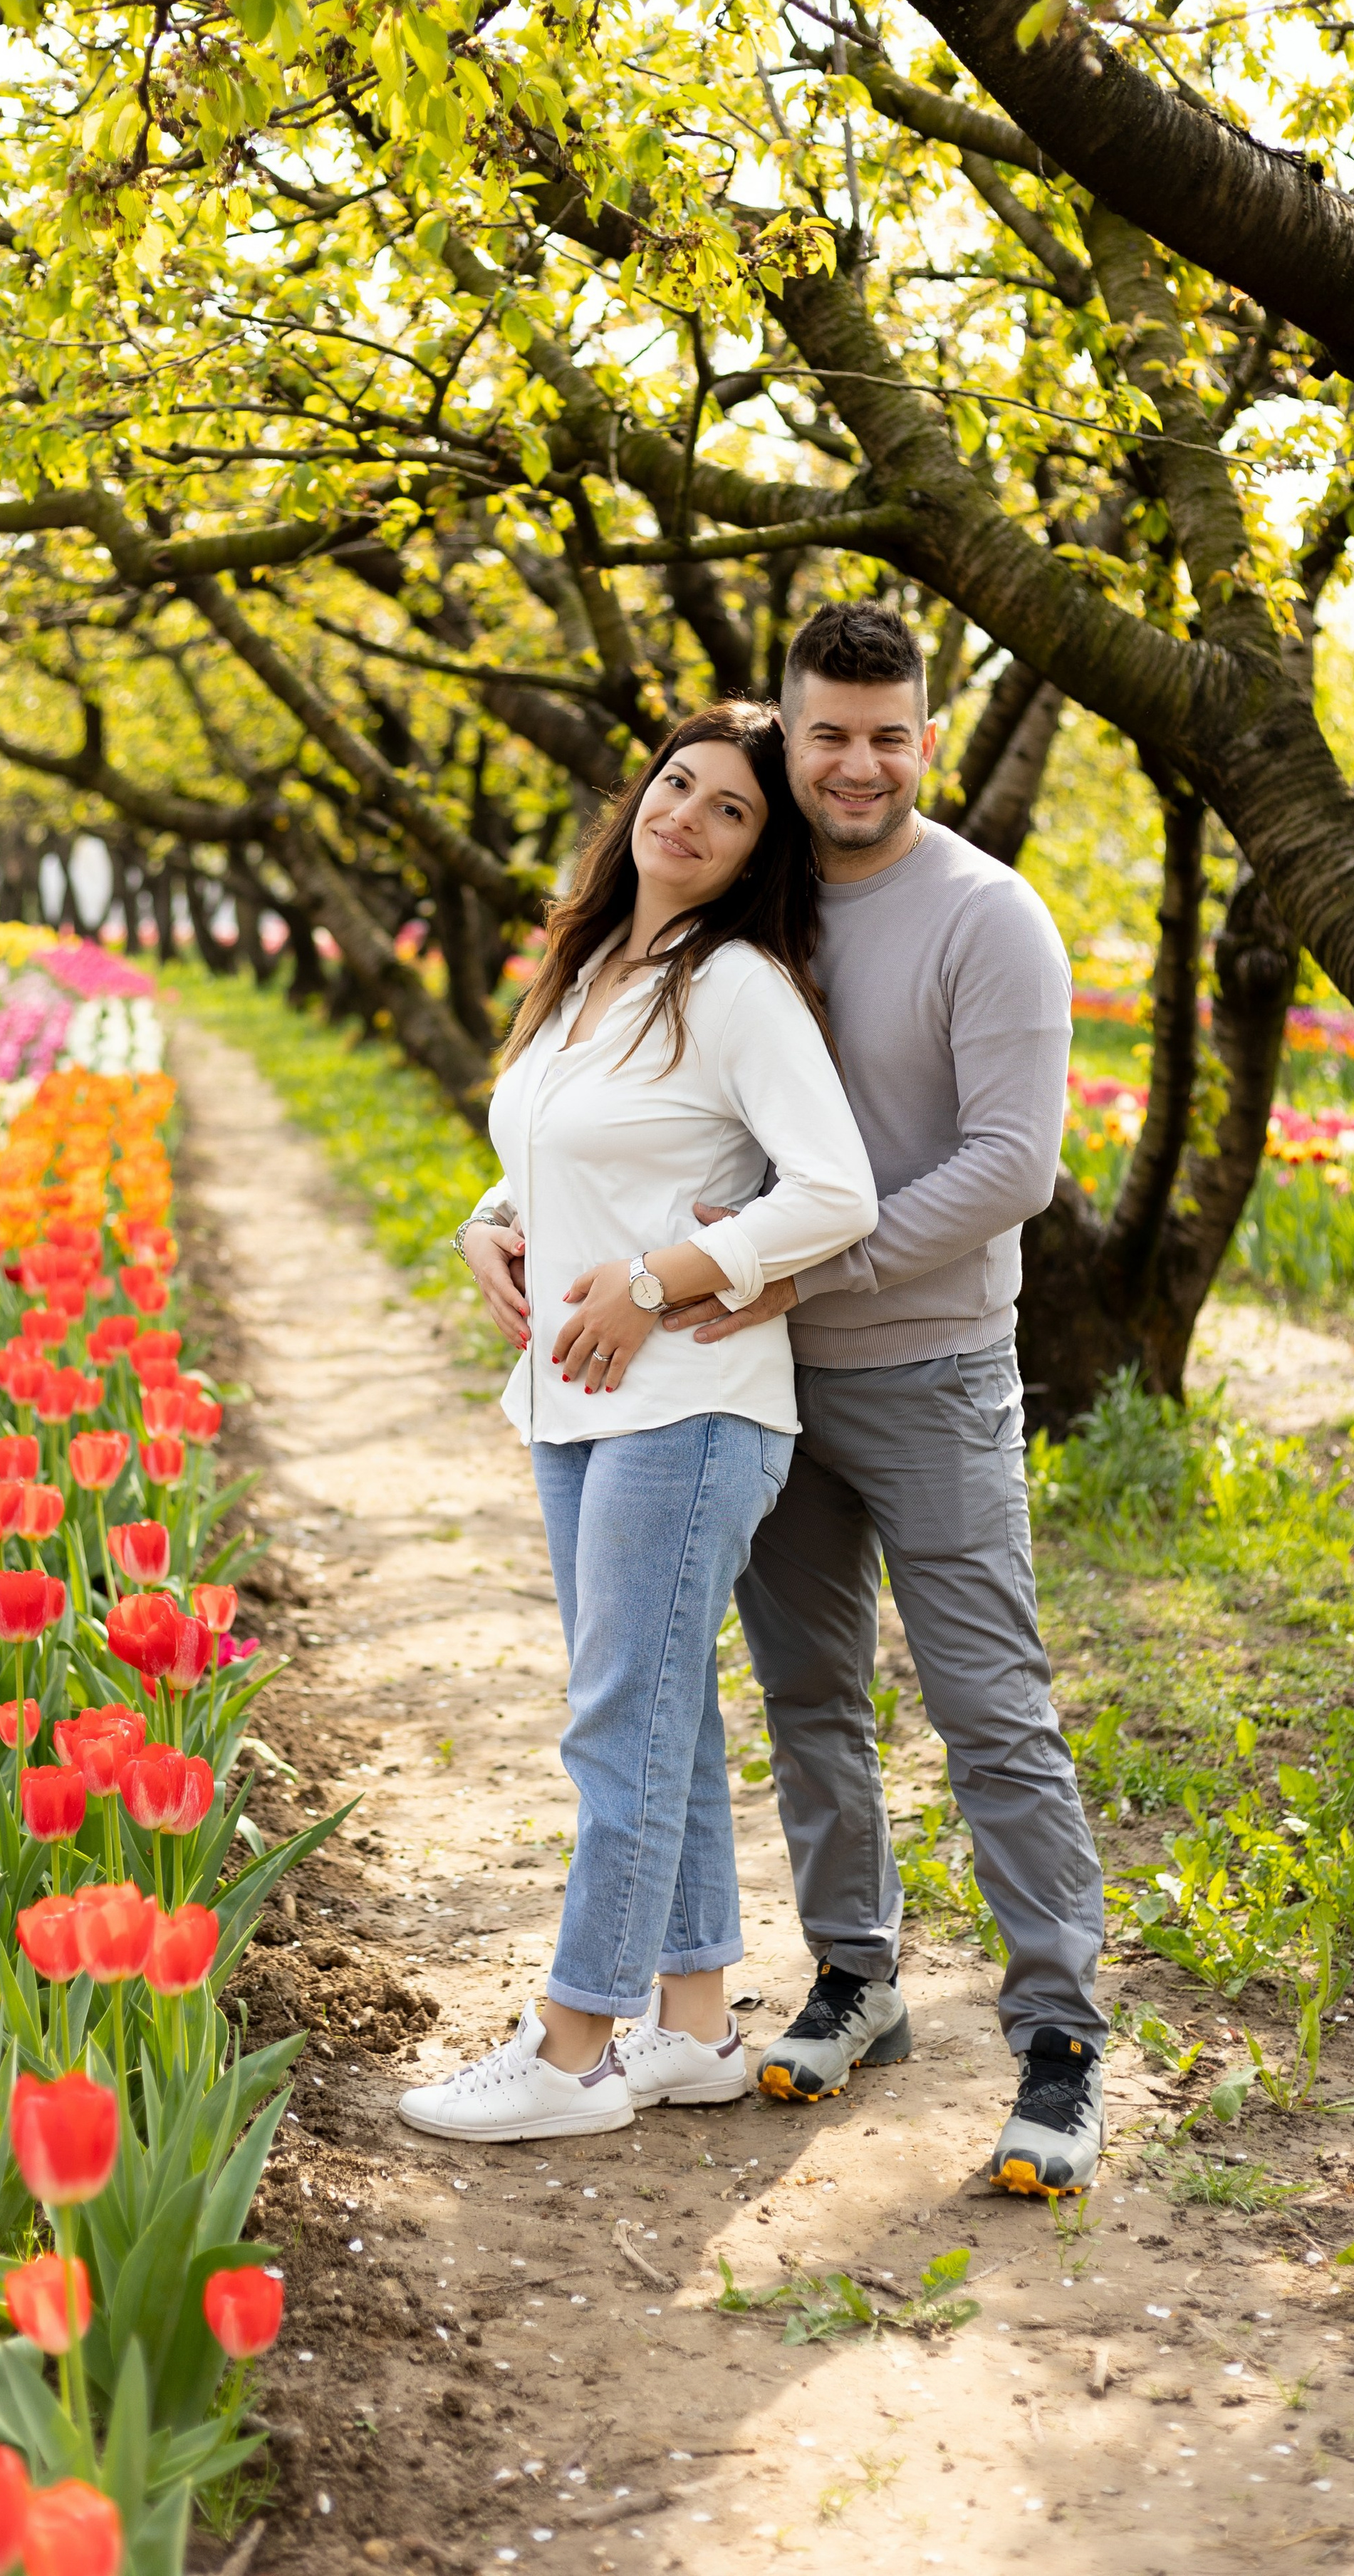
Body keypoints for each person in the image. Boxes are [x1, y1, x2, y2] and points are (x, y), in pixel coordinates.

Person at [661, 601, 1108, 2197]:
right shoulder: (742, 909)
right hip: (759, 1383)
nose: (857, 763)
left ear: (930, 737)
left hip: (925, 1375)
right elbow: (648, 1107)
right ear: (783, 736)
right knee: (808, 1703)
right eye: (826, 735)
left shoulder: (988, 917)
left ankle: (1057, 2045)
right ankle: (855, 1976)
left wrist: (798, 1273)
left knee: (990, 1712)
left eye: (888, 733)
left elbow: (1009, 1165)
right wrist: (511, 1220)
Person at [400, 702, 878, 2145]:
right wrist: (490, 1225)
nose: (688, 818)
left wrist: (666, 1281)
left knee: (618, 1719)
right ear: (639, 798)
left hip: (691, 1405)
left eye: (730, 811)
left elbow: (833, 1192)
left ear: (753, 856)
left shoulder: (736, 987)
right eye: (678, 787)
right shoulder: (591, 962)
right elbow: (563, 1151)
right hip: (570, 1396)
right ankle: (692, 2023)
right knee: (657, 1712)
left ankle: (572, 2047)